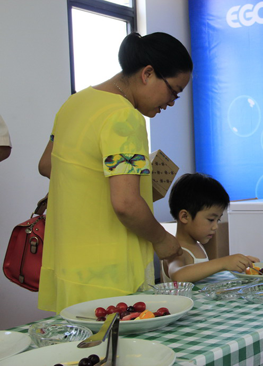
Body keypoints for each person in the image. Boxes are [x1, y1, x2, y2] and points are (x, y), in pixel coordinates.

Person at [37, 32, 191, 313]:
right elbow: (126, 204)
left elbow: (47, 165)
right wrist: (162, 240)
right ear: (147, 73)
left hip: (68, 267)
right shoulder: (124, 117)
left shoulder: (74, 103)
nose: (172, 102)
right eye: (174, 91)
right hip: (109, 276)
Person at [161, 173, 259, 282]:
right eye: (211, 220)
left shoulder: (198, 245)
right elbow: (178, 276)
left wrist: (238, 262)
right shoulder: (175, 250)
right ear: (185, 216)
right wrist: (223, 262)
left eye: (218, 220)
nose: (215, 227)